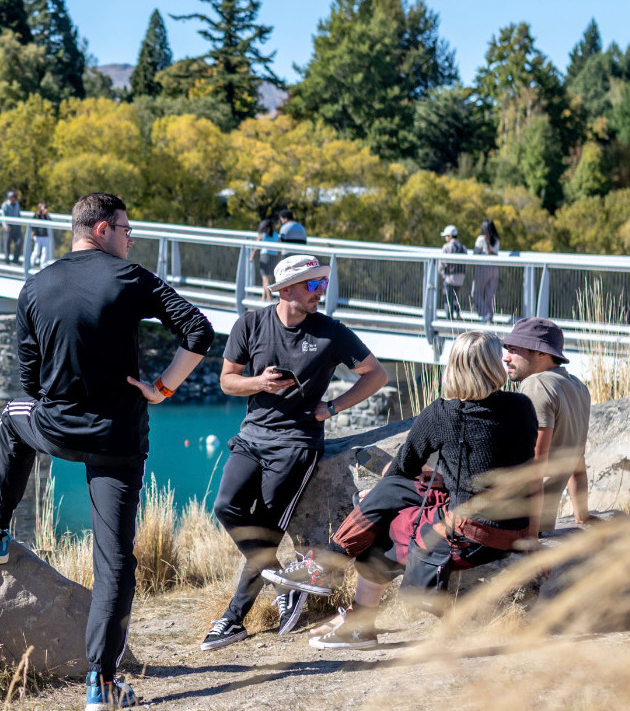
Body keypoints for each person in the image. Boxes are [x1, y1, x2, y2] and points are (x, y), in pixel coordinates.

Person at [0, 192, 213, 711]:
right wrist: (162, 388)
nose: (130, 238)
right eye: (125, 228)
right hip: (119, 438)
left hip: (57, 427)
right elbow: (200, 330)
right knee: (115, 561)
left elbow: (29, 381)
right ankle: (102, 682)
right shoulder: (131, 279)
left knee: (12, 415)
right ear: (100, 229)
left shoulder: (33, 288)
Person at [281, 331, 538, 650]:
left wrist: (374, 498)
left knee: (386, 527)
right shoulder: (521, 406)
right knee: (402, 492)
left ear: (454, 367)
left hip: (471, 535)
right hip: (514, 527)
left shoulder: (444, 412)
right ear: (494, 366)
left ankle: (335, 584)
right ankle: (338, 591)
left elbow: (404, 467)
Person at [200, 254, 390, 651]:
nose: (320, 292)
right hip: (252, 437)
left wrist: (334, 407)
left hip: (297, 444)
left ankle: (233, 619)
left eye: (322, 284)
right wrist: (259, 383)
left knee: (266, 529)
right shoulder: (250, 323)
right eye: (312, 285)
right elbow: (227, 382)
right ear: (286, 290)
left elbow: (376, 375)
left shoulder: (331, 332)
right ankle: (285, 583)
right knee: (225, 506)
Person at [503, 317, 592, 531]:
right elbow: (577, 462)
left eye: (515, 350)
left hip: (517, 521)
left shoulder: (537, 385)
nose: (506, 358)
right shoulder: (578, 387)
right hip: (540, 521)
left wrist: (531, 539)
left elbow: (534, 467)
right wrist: (583, 516)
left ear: (542, 353)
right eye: (507, 349)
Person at [471, 220, 501, 324]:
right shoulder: (497, 239)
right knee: (490, 294)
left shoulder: (481, 239)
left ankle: (484, 313)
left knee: (475, 292)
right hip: (495, 268)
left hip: (483, 267)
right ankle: (490, 316)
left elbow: (475, 253)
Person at [439, 225, 469, 321]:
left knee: (448, 298)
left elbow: (441, 264)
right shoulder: (463, 247)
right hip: (460, 278)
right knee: (454, 297)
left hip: (449, 277)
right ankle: (458, 313)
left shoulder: (447, 247)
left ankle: (449, 319)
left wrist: (442, 274)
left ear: (450, 236)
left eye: (446, 236)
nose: (445, 238)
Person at [252, 214, 281, 303]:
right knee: (269, 279)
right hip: (274, 257)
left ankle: (269, 300)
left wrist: (251, 257)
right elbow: (279, 249)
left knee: (265, 279)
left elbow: (256, 247)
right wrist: (280, 259)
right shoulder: (276, 235)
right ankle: (263, 298)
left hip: (264, 257)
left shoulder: (262, 235)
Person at [0, 188, 23, 259]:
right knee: (7, 243)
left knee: (19, 242)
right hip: (8, 226)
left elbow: (18, 214)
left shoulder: (17, 204)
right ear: (10, 198)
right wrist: (5, 226)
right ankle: (7, 259)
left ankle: (16, 259)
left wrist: (20, 223)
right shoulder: (5, 205)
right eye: (13, 197)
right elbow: (3, 216)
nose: (15, 199)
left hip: (16, 226)